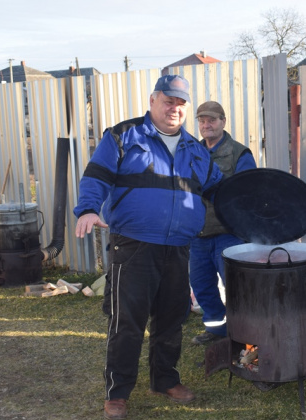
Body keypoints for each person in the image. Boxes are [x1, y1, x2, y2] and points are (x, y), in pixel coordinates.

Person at [73, 75, 223, 420]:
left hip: (179, 246)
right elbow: (95, 176)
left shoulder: (196, 151)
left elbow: (219, 190)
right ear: (154, 100)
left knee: (172, 318)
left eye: (181, 103)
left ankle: (165, 380)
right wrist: (88, 209)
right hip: (135, 246)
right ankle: (117, 393)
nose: (175, 108)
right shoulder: (123, 136)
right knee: (127, 322)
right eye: (169, 100)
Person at [188, 101, 257, 345]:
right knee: (202, 285)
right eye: (201, 120)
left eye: (212, 120)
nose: (206, 125)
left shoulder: (239, 153)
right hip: (197, 234)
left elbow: (247, 194)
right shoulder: (189, 151)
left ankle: (246, 334)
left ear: (223, 121)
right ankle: (216, 330)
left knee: (237, 288)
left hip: (228, 234)